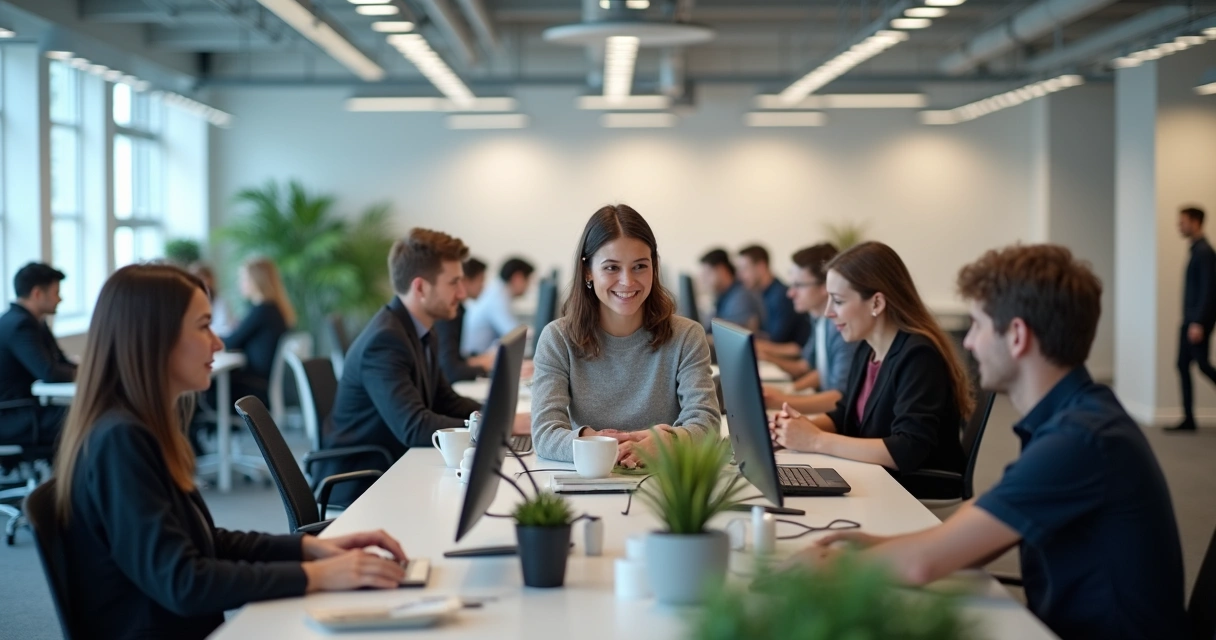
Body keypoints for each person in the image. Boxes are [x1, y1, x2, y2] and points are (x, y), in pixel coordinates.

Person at [792, 245, 1189, 640]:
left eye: (978, 326)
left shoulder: (1078, 441)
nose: (968, 343)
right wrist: (877, 545)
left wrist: (827, 566)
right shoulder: (1071, 417)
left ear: (1017, 335)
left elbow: (923, 565)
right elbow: (975, 537)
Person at [51, 264, 408, 640]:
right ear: (155, 337)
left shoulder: (138, 430)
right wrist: (316, 576)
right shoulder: (120, 441)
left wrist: (311, 549)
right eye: (203, 326)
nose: (218, 343)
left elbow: (205, 542)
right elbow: (183, 582)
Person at [320, 229, 528, 506]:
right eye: (454, 283)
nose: (463, 293)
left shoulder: (419, 330)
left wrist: (499, 414)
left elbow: (445, 399)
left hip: (396, 466)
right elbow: (415, 426)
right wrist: (499, 425)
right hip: (365, 484)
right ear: (420, 288)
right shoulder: (384, 342)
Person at [771, 241, 970, 498]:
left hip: (914, 487)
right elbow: (846, 415)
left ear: (876, 302)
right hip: (878, 477)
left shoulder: (919, 356)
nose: (829, 312)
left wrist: (815, 440)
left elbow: (907, 450)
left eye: (839, 301)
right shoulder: (867, 348)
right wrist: (796, 429)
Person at [531, 204, 720, 467]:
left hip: (664, 483)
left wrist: (671, 442)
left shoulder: (686, 336)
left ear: (654, 267)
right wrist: (597, 444)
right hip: (590, 477)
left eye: (640, 266)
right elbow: (544, 434)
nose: (628, 281)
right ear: (588, 271)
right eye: (611, 268)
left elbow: (707, 425)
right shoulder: (558, 339)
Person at [761, 244, 856, 415]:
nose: (791, 293)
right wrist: (789, 390)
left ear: (824, 287)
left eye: (798, 285)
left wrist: (780, 400)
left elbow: (840, 397)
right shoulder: (818, 320)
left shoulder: (841, 327)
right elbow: (816, 369)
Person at [0, 263, 77, 450]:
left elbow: (60, 362)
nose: (60, 299)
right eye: (55, 292)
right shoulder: (19, 325)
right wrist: (90, 373)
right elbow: (49, 372)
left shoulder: (34, 322)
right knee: (87, 416)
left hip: (25, 408)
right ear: (37, 294)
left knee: (87, 413)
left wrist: (86, 369)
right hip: (12, 416)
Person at [222, 258, 295, 405]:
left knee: (206, 386)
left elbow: (231, 342)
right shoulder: (274, 309)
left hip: (254, 386)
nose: (240, 284)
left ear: (256, 281)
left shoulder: (262, 310)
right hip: (261, 382)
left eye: (243, 278)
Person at [1171, 205, 1215, 432]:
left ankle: (1189, 418)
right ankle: (1188, 418)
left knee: (1204, 365)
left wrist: (1198, 322)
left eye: (1183, 222)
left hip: (1197, 321)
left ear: (1196, 222)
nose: (1179, 226)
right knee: (1182, 364)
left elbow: (1209, 290)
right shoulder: (1197, 250)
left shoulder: (1205, 252)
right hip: (1190, 319)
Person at [434, 258, 497, 383]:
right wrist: (486, 367)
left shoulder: (460, 310)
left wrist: (475, 360)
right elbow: (450, 370)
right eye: (481, 281)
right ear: (466, 281)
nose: (483, 287)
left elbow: (453, 357)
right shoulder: (449, 314)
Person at [737, 244, 809, 346]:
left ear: (761, 267)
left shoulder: (781, 296)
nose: (740, 275)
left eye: (744, 269)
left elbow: (776, 341)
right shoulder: (762, 294)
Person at [461, 257, 535, 355]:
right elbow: (515, 334)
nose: (529, 287)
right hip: (474, 357)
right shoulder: (497, 297)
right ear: (518, 277)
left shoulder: (498, 291)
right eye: (528, 280)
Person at [699, 248, 762, 332]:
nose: (704, 279)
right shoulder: (722, 295)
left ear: (721, 270)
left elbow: (730, 336)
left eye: (707, 273)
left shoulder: (741, 297)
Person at [188, 262, 235, 335]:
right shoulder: (190, 304)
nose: (204, 283)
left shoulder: (220, 301)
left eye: (205, 278)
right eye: (200, 279)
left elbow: (226, 326)